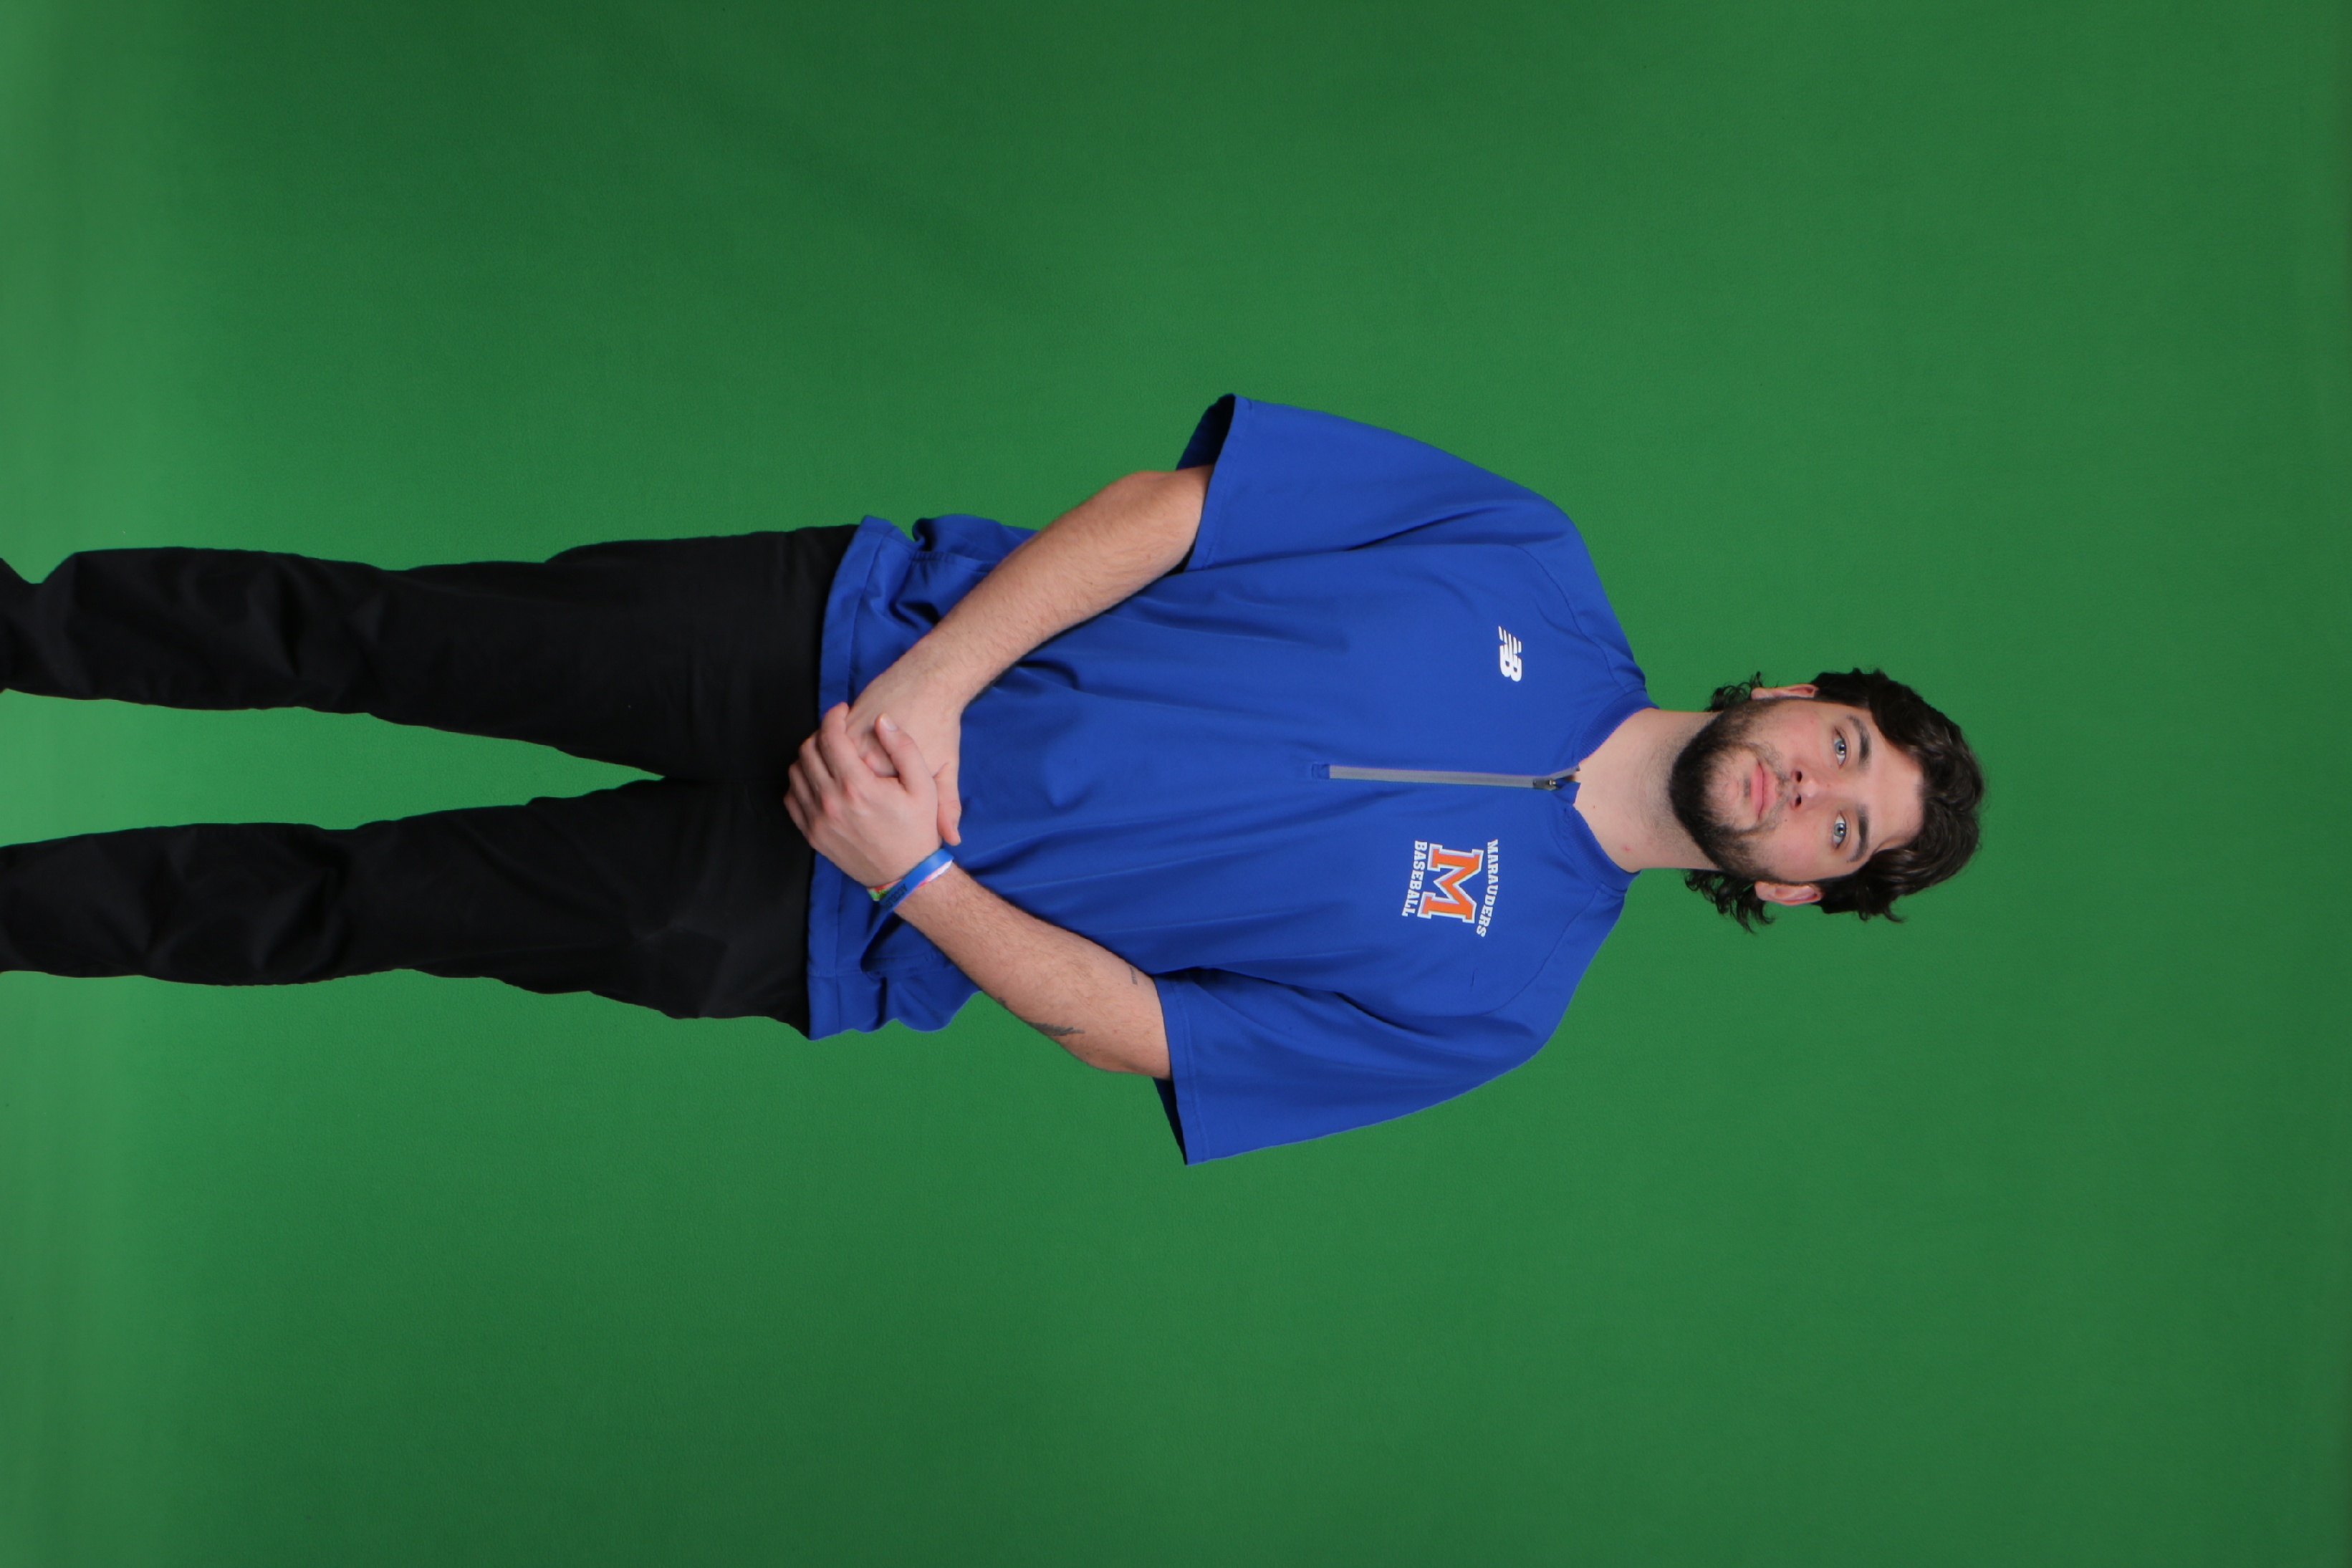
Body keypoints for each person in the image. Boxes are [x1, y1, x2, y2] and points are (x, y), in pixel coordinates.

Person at [0, 396, 1983, 1162]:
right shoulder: (1522, 558)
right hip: (832, 634)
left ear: (1796, 891)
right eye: (1842, 745)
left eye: (1845, 829)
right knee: (376, 634)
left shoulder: (1496, 1004)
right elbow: (1169, 513)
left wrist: (909, 870)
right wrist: (932, 690)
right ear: (1793, 690)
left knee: (352, 904)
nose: (1810, 790)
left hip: (812, 918)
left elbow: (1145, 1034)